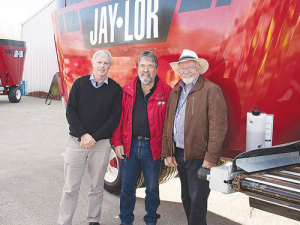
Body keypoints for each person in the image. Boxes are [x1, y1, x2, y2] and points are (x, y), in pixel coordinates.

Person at [162, 49, 227, 225]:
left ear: (198, 68)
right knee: (186, 197)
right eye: (182, 68)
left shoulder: (211, 90)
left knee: (198, 201)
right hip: (180, 154)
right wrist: (168, 152)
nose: (186, 71)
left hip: (199, 157)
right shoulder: (176, 91)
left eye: (190, 67)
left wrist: (210, 158)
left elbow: (218, 127)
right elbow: (169, 123)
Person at [57, 50, 122, 225]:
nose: (102, 66)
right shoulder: (79, 84)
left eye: (106, 63)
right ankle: (64, 222)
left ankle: (93, 220)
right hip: (76, 142)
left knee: (97, 187)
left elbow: (114, 118)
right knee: (70, 187)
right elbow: (71, 111)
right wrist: (83, 135)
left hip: (100, 145)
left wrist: (94, 138)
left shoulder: (116, 89)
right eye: (99, 62)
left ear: (110, 66)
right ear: (93, 64)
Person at [111, 50, 172, 225]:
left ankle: (151, 220)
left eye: (150, 66)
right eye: (143, 66)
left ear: (156, 68)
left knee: (152, 188)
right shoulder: (127, 90)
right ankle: (126, 220)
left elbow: (169, 123)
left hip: (152, 147)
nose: (146, 70)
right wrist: (117, 142)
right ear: (138, 68)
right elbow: (118, 120)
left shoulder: (166, 91)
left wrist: (166, 149)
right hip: (130, 145)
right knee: (127, 188)